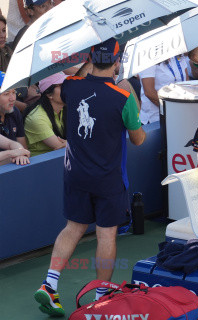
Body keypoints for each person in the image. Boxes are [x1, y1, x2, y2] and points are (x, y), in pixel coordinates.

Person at [33, 38, 146, 317]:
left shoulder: (71, 87)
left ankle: (49, 285)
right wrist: (132, 111)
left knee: (73, 227)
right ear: (118, 62)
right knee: (106, 234)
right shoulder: (124, 97)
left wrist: (89, 59)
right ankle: (102, 295)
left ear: (92, 58)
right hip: (108, 180)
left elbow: (77, 73)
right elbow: (139, 139)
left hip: (76, 175)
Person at [24, 72, 67, 156]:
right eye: (62, 86)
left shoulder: (66, 108)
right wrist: (71, 143)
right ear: (49, 94)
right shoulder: (37, 118)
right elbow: (60, 147)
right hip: (40, 166)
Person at [138, 55, 189, 124]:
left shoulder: (178, 55)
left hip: (180, 113)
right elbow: (149, 92)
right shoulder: (148, 59)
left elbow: (187, 82)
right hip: (156, 118)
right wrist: (174, 109)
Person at [0, 72, 27, 150]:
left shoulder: (15, 111)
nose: (12, 99)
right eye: (6, 94)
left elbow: (23, 149)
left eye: (14, 92)